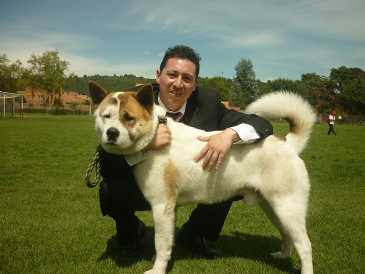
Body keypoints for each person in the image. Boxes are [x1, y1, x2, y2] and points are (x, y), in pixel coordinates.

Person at [95, 45, 273, 258]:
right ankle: (132, 232)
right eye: (172, 75)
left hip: (194, 179)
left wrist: (229, 135)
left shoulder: (208, 103)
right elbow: (107, 164)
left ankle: (195, 234)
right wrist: (147, 146)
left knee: (228, 173)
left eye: (187, 78)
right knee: (110, 189)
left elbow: (261, 124)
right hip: (141, 184)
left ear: (195, 84)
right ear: (158, 76)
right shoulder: (134, 100)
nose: (178, 84)